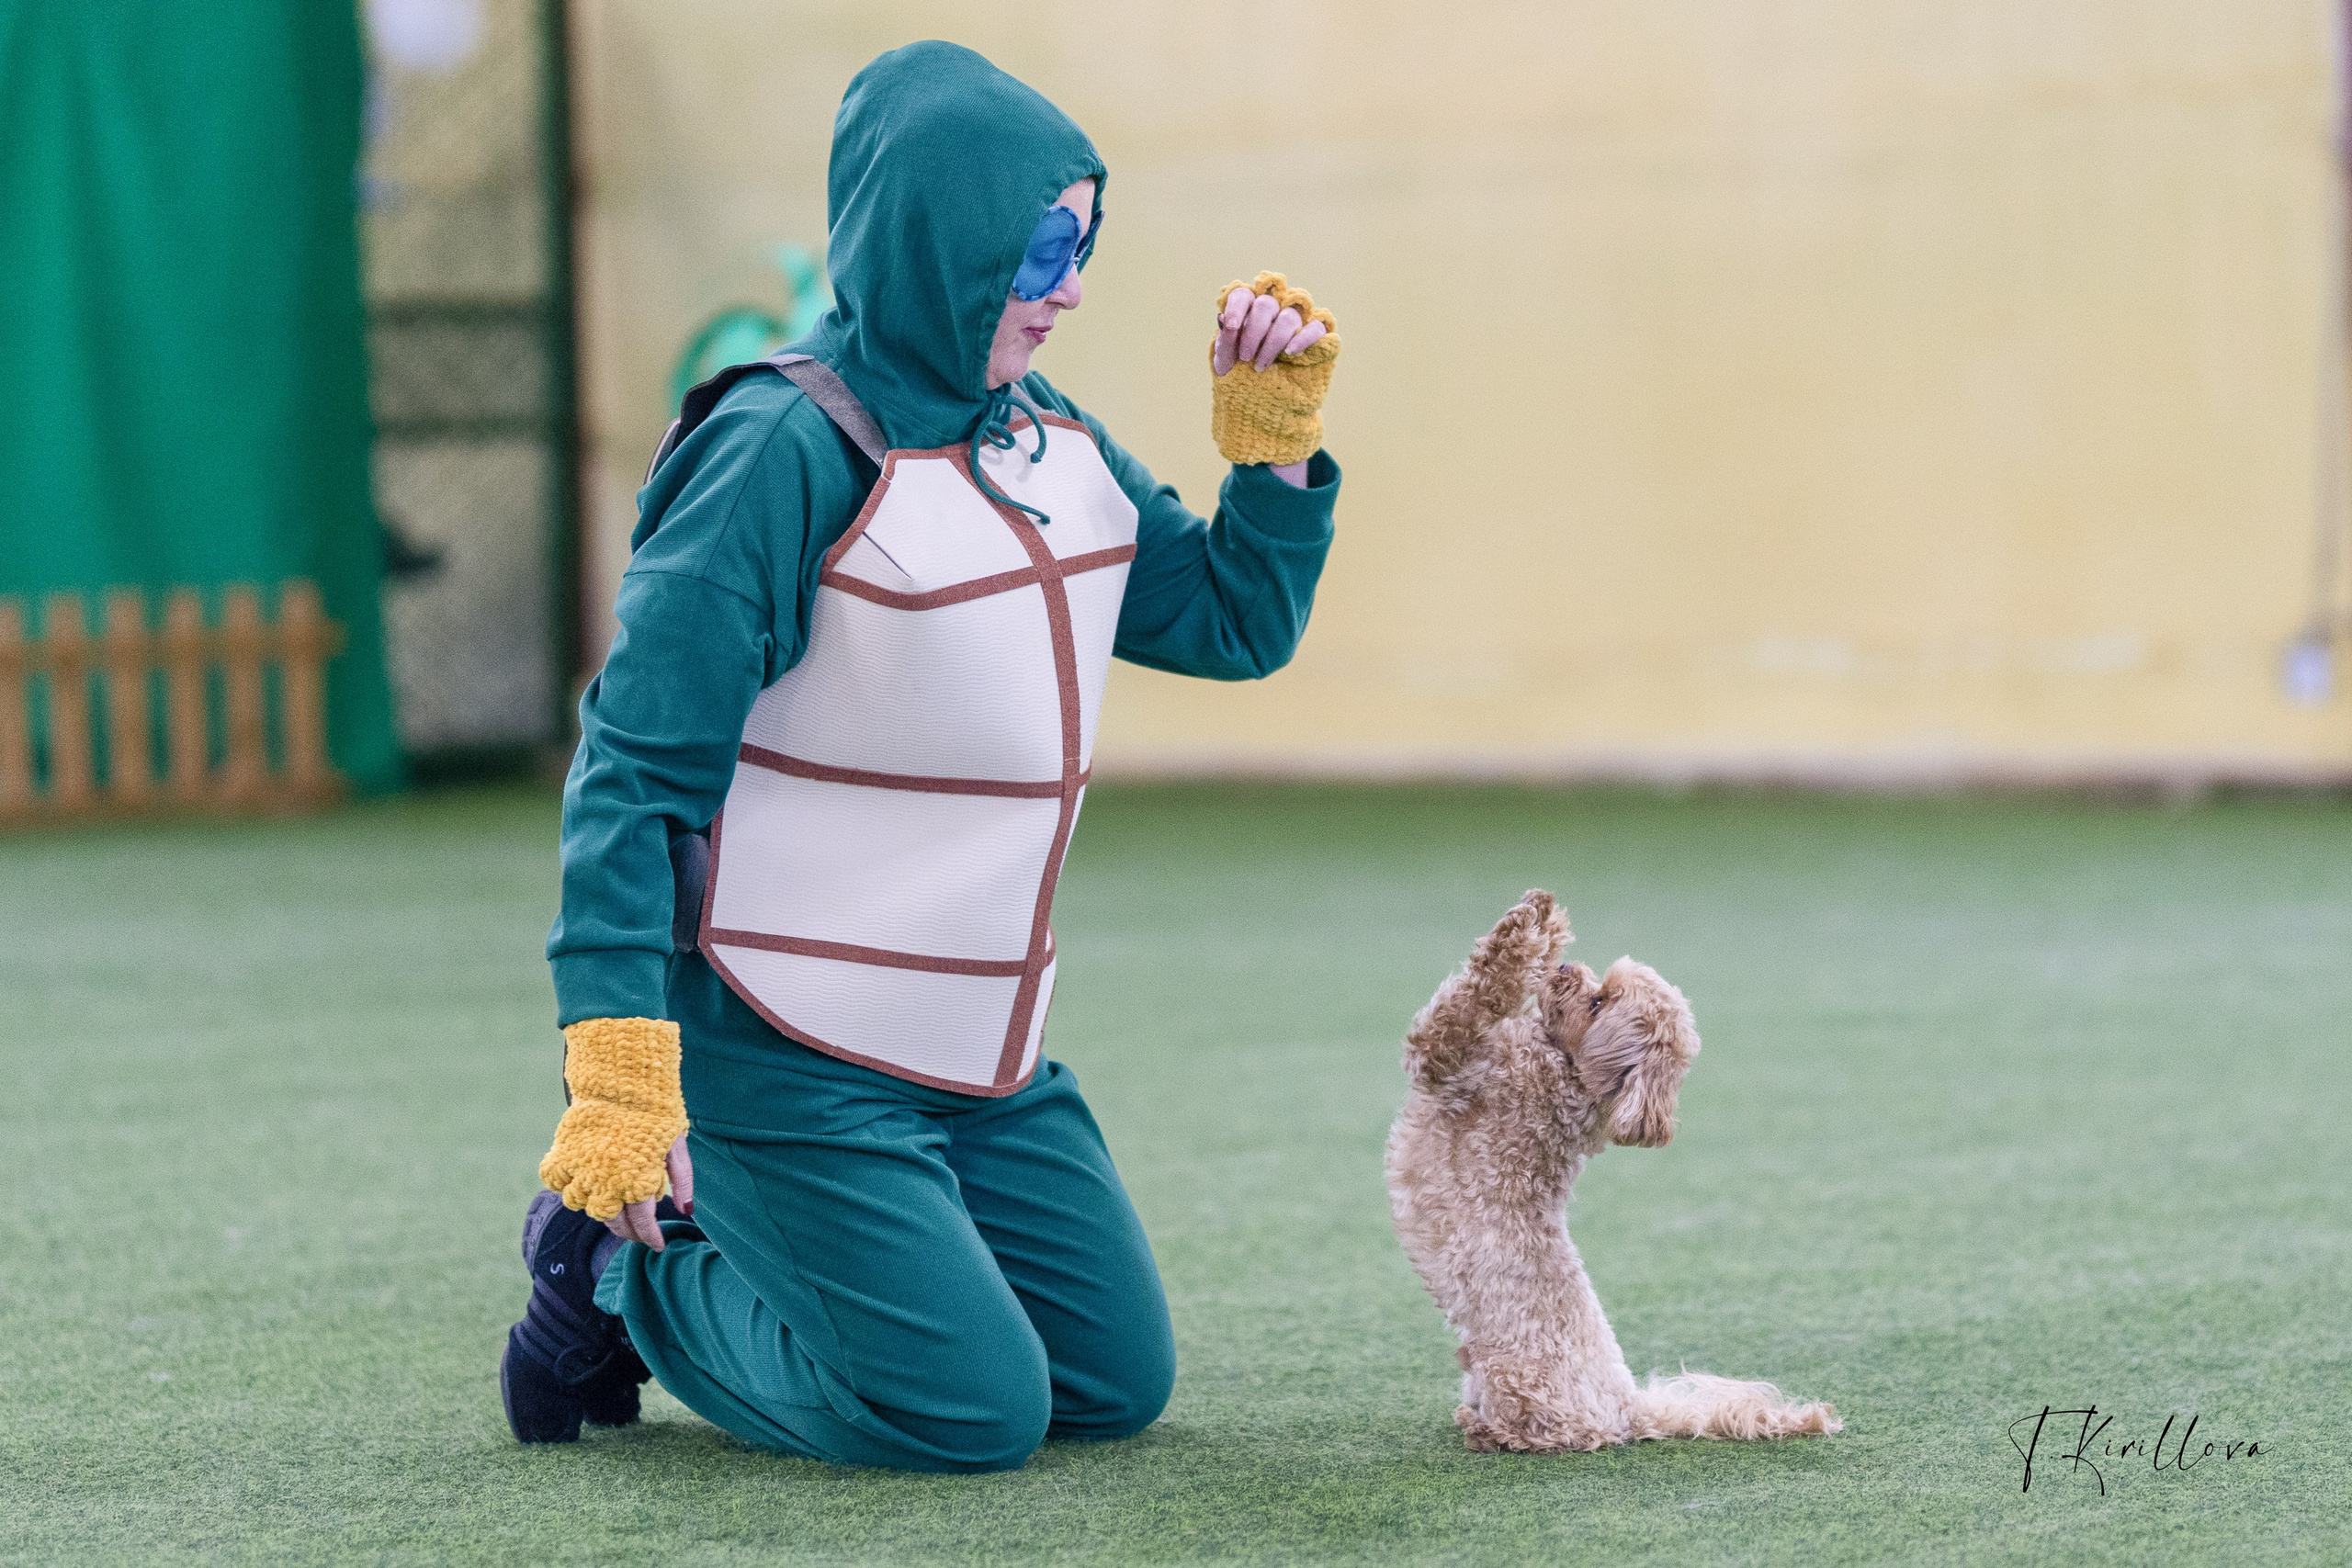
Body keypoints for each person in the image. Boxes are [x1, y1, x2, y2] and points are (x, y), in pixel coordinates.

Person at [500, 39, 1342, 1473]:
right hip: (782, 1041)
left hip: (980, 1052)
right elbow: (632, 767)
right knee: (965, 1414)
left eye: (1084, 241)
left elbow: (1227, 621)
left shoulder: (1050, 441)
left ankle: (726, 1243)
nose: (1070, 285)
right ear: (940, 240)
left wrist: (1269, 450)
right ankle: (623, 1281)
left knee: (1110, 1383)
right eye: (1039, 246)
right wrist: (620, 1064)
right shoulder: (776, 446)